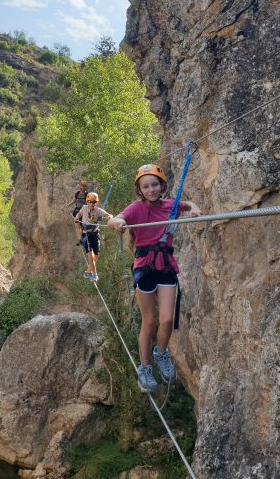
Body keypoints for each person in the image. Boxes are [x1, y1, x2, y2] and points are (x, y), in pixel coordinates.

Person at [108, 163, 201, 394]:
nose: (151, 189)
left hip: (166, 268)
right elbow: (116, 218)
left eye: (154, 185)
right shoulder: (136, 209)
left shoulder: (170, 206)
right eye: (146, 186)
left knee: (167, 320)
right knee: (149, 322)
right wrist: (118, 223)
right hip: (145, 268)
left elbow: (187, 204)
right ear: (140, 190)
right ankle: (145, 368)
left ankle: (161, 353)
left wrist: (194, 209)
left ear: (162, 186)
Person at [74, 192, 113, 281]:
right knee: (90, 256)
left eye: (94, 202)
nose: (92, 204)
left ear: (97, 202)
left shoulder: (99, 211)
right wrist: (77, 220)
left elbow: (109, 215)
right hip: (86, 235)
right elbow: (78, 216)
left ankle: (88, 272)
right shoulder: (84, 208)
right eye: (90, 202)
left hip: (95, 234)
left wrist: (110, 217)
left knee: (96, 255)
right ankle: (94, 274)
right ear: (87, 202)